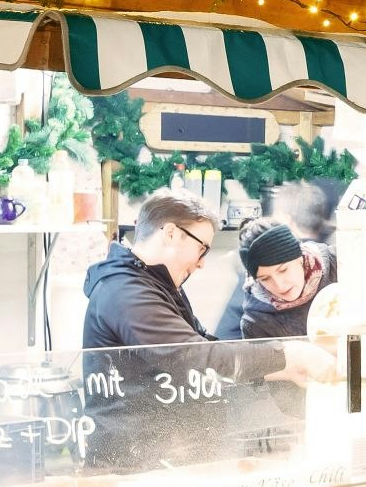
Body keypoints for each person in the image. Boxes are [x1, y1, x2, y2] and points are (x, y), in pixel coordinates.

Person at [79, 191, 328, 467]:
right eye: (202, 248)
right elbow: (197, 357)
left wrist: (285, 369)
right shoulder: (126, 293)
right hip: (131, 467)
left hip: (164, 461)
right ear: (171, 233)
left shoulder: (158, 286)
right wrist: (292, 354)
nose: (201, 262)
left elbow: (208, 349)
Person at [214, 217, 338, 342]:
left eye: (283, 270)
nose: (279, 285)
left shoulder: (339, 263)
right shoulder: (256, 322)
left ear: (300, 257)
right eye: (265, 278)